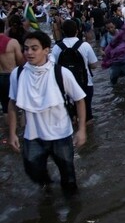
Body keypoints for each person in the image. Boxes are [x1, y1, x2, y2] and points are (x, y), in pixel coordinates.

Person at [7, 31, 87, 196]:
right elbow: (13, 104)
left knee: (69, 180)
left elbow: (80, 100)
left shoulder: (60, 73)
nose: (29, 52)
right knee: (34, 173)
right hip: (33, 136)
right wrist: (12, 133)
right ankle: (48, 192)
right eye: (26, 48)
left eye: (34, 48)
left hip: (61, 135)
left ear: (46, 50)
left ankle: (73, 214)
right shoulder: (18, 74)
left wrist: (82, 130)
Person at [51, 19, 98, 123]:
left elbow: (52, 67)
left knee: (70, 115)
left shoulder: (57, 48)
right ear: (77, 30)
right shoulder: (85, 46)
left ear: (63, 31)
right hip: (85, 83)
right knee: (87, 116)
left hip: (64, 85)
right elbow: (94, 65)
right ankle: (89, 136)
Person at [0, 19, 24, 135]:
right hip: (11, 76)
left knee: (5, 108)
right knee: (22, 106)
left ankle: (10, 134)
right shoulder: (12, 42)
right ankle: (24, 134)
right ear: (4, 27)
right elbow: (21, 62)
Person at [100, 19, 125, 86]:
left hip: (124, 60)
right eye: (108, 28)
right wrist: (102, 52)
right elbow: (101, 48)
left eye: (111, 27)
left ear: (115, 25)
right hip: (114, 62)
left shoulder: (121, 33)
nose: (110, 29)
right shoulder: (106, 36)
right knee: (113, 80)